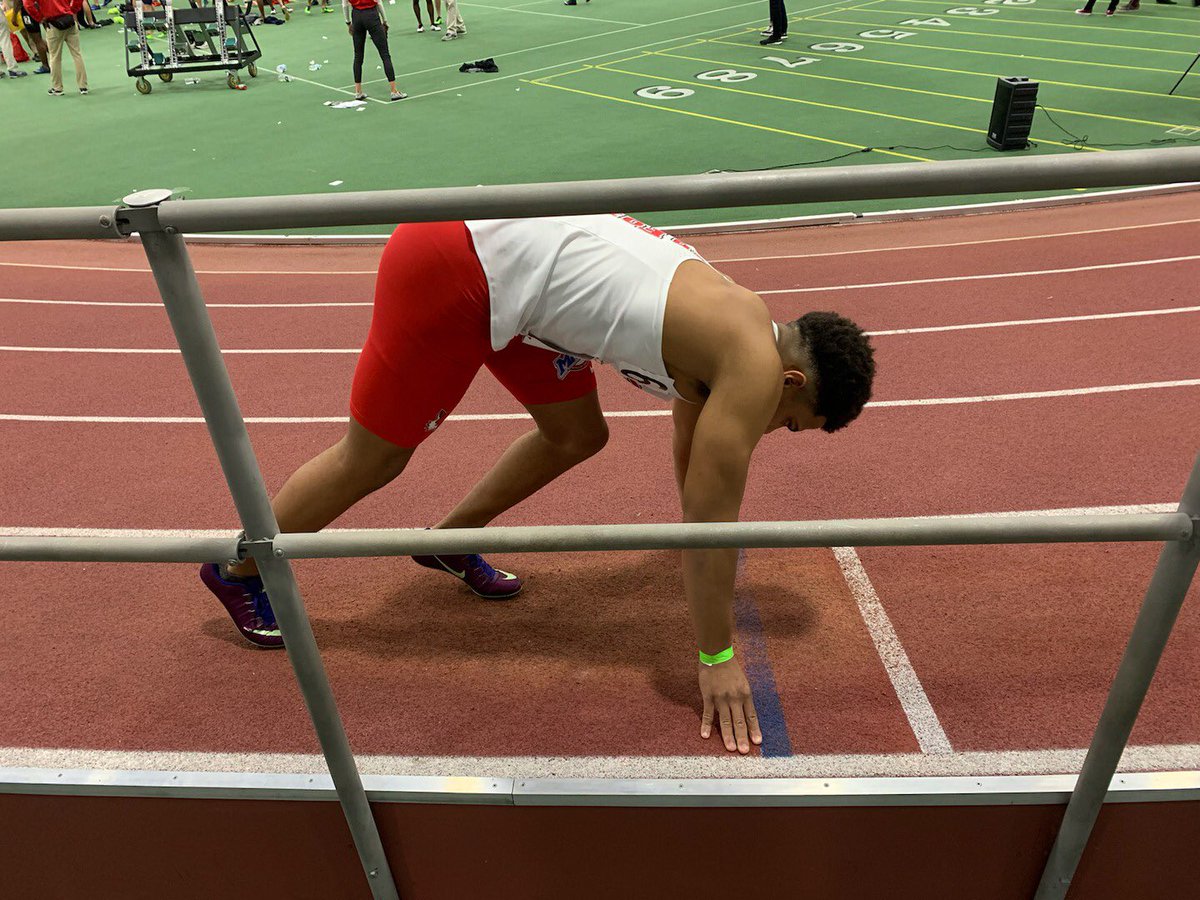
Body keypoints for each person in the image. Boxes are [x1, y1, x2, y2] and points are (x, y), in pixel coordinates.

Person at [201, 214, 876, 755]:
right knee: (373, 458)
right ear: (792, 383)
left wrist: (699, 545)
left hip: (517, 284)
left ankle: (450, 541)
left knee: (577, 433)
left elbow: (694, 480)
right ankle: (239, 567)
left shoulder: (737, 327)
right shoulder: (752, 366)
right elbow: (708, 518)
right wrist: (717, 654)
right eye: (792, 425)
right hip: (453, 264)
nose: (775, 429)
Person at [343, 0, 405, 100]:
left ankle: (358, 91)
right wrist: (385, 21)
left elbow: (344, 5)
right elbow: (379, 3)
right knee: (385, 54)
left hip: (356, 16)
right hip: (371, 15)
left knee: (358, 56)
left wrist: (348, 22)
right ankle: (394, 91)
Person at [24, 0, 87, 95]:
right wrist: (73, 10)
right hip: (69, 20)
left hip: (52, 24)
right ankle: (83, 86)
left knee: (55, 57)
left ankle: (57, 88)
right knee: (77, 54)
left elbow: (27, 4)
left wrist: (39, 18)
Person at [12, 0, 49, 73]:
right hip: (43, 7)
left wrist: (14, 15)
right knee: (47, 37)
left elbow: (18, 1)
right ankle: (54, 60)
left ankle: (45, 66)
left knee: (37, 40)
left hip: (29, 11)